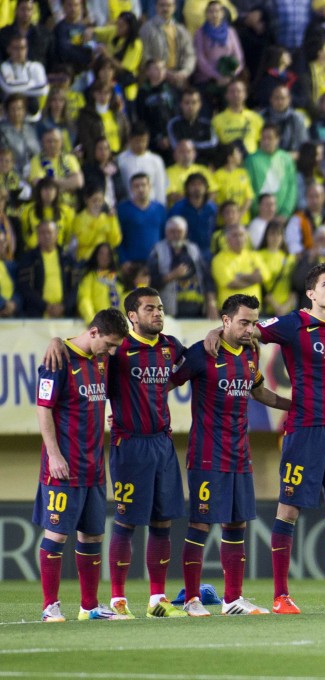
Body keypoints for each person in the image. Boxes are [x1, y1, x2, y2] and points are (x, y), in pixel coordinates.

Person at [204, 263, 325, 614]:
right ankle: (281, 595)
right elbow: (248, 332)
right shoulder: (292, 324)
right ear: (311, 293)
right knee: (289, 509)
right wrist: (213, 334)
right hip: (304, 429)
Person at [171, 294, 291, 616]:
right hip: (207, 455)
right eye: (244, 322)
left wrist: (292, 406)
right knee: (200, 524)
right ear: (225, 321)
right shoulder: (201, 353)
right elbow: (164, 383)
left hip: (239, 454)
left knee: (236, 525)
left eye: (254, 322)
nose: (251, 328)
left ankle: (232, 599)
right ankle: (192, 599)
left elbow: (258, 390)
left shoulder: (251, 353)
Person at [34, 307, 129, 622]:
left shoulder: (101, 359)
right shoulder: (57, 361)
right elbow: (43, 409)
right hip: (62, 467)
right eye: (110, 344)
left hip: (93, 467)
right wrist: (54, 454)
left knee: (92, 536)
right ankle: (50, 606)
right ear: (94, 332)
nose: (112, 352)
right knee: (57, 534)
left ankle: (89, 607)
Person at [147, 216, 216, 319]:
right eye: (172, 231)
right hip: (170, 312)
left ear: (185, 232)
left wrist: (211, 303)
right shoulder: (157, 251)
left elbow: (207, 278)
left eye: (179, 231)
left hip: (197, 312)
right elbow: (151, 283)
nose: (176, 235)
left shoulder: (194, 249)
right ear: (166, 233)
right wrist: (172, 275)